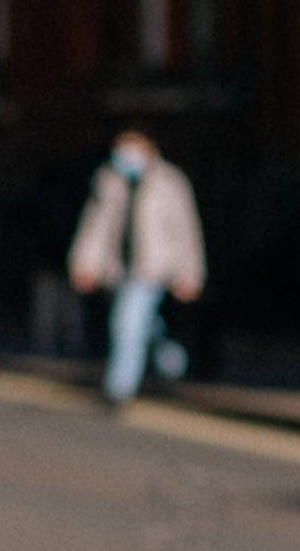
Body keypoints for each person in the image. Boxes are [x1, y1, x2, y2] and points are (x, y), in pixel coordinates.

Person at [68, 130, 205, 406]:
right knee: (142, 325)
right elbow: (96, 227)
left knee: (125, 323)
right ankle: (170, 358)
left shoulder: (170, 182)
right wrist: (83, 263)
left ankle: (118, 389)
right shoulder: (109, 180)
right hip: (119, 269)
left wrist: (190, 273)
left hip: (153, 268)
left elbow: (185, 230)